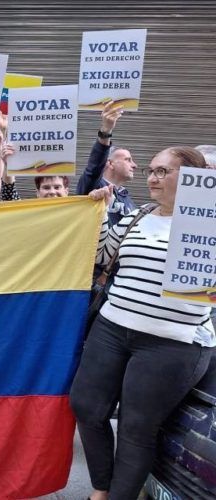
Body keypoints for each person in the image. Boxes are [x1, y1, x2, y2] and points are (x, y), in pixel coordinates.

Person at [70, 146, 215, 500]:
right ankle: (102, 487)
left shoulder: (210, 226)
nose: (152, 177)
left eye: (164, 172)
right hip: (112, 329)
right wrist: (99, 214)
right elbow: (102, 257)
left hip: (170, 344)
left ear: (195, 179)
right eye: (151, 170)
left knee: (136, 428)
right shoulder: (138, 216)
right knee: (86, 405)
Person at [76, 100, 136, 226]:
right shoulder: (93, 186)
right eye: (127, 160)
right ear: (110, 163)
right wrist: (106, 131)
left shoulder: (127, 199)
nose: (134, 165)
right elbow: (94, 168)